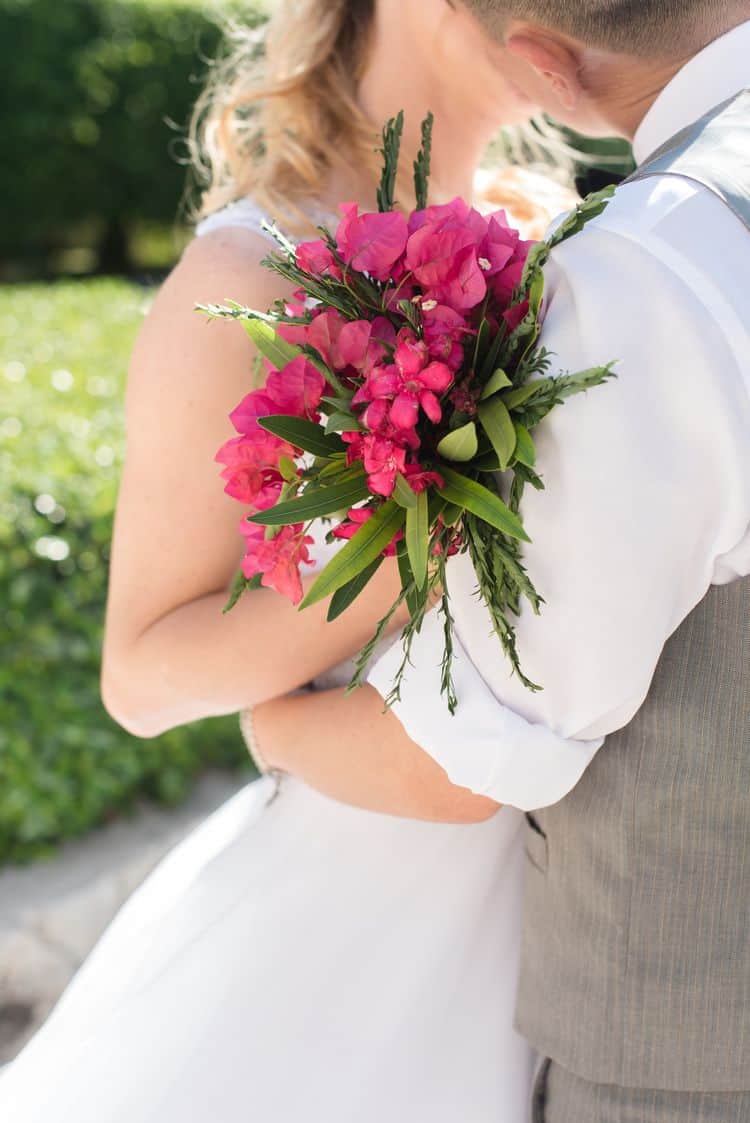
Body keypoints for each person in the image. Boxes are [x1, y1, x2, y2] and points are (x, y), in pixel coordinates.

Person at [0, 1, 578, 1118]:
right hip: (348, 952)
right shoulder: (249, 276)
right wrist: (421, 528)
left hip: (559, 935)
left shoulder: (562, 244)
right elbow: (142, 674)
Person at [241, 3, 750, 1121]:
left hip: (701, 1045)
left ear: (548, 67)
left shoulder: (661, 257)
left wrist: (268, 725)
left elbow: (469, 753)